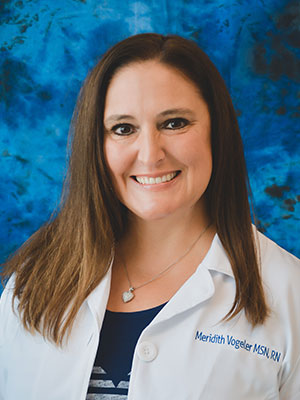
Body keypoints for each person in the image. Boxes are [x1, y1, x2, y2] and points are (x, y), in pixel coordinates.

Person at [0, 33, 299, 400]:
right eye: (123, 129)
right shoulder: (32, 279)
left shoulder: (290, 293)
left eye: (174, 123)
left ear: (217, 133)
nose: (149, 155)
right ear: (96, 145)